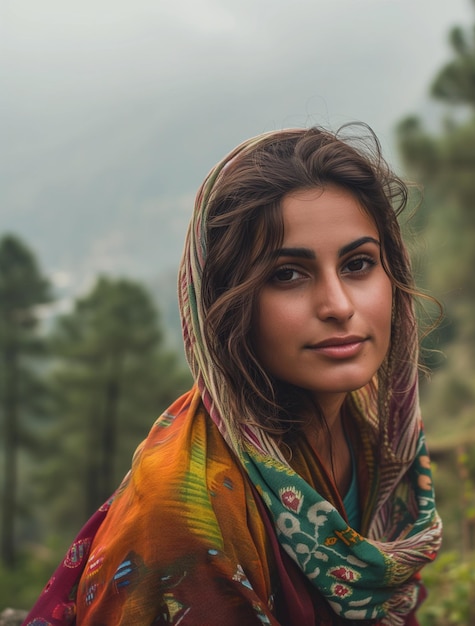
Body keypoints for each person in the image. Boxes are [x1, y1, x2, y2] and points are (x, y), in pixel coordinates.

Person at [24, 125, 442, 626]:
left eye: (358, 264)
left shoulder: (377, 427)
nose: (338, 305)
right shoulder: (186, 513)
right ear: (226, 307)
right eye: (287, 274)